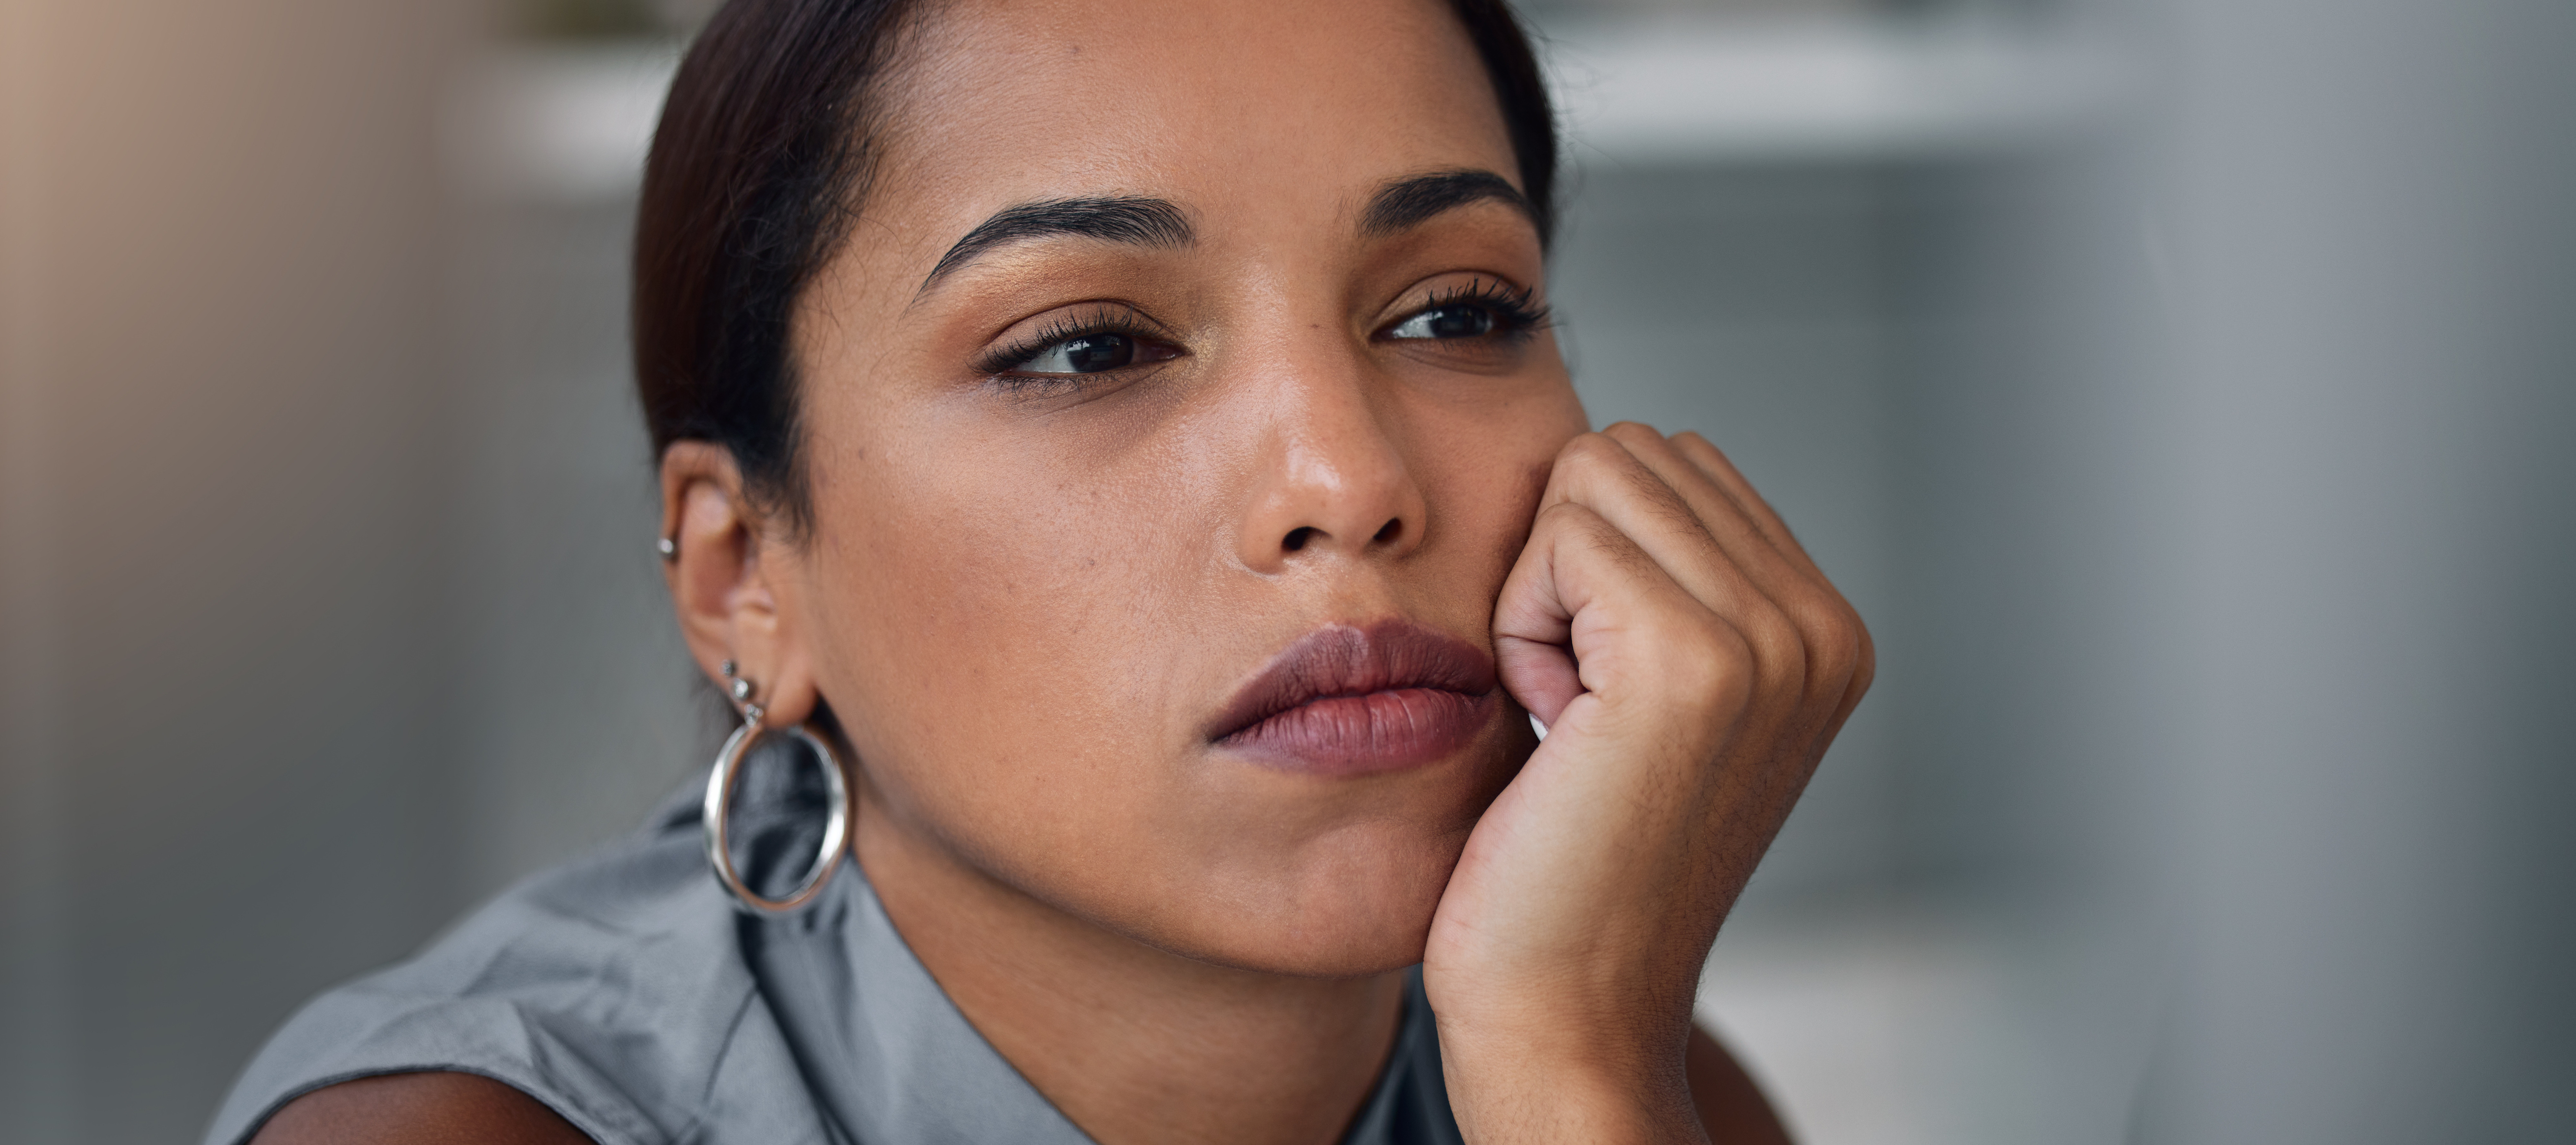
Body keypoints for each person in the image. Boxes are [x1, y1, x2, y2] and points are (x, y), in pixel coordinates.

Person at [206, 0, 1871, 1140]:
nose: (1348, 483)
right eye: (1084, 348)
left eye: (1456, 312)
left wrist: (1575, 1066)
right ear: (742, 579)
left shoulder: (1607, 1065)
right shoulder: (456, 1134)